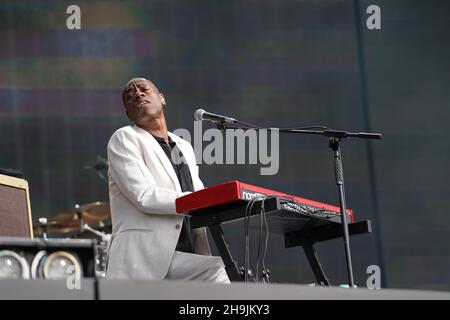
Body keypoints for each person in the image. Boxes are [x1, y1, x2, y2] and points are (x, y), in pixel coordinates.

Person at [105, 77, 229, 283]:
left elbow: (198, 192)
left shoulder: (183, 146)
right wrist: (196, 201)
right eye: (130, 95)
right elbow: (143, 196)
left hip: (187, 254)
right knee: (217, 273)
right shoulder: (125, 138)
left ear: (161, 98)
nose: (138, 94)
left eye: (144, 89)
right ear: (128, 114)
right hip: (144, 257)